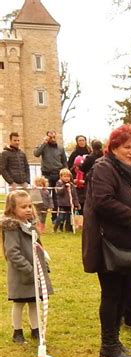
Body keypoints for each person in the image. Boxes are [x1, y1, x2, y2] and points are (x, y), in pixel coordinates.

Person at [82, 125, 131, 357]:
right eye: (126, 147)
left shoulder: (126, 171)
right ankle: (108, 345)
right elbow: (103, 201)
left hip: (124, 242)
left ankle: (115, 342)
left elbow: (124, 198)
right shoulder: (103, 168)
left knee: (123, 292)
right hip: (107, 244)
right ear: (113, 148)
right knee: (111, 294)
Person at [1, 190, 52, 344]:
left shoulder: (30, 225)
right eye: (23, 207)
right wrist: (29, 269)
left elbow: (36, 246)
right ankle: (17, 332)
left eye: (30, 206)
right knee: (19, 303)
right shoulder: (12, 228)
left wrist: (44, 259)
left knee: (34, 301)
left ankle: (36, 329)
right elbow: (12, 252)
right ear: (12, 209)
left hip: (35, 270)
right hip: (22, 273)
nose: (28, 209)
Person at [34, 130, 67, 222]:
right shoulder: (43, 147)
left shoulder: (60, 148)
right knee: (45, 196)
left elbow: (64, 161)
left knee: (57, 197)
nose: (52, 138)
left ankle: (55, 218)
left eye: (53, 137)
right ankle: (42, 218)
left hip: (57, 174)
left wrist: (66, 172)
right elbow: (36, 153)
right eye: (50, 137)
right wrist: (44, 142)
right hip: (46, 175)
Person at [54, 168, 80, 233]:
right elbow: (58, 192)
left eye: (68, 176)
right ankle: (56, 228)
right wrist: (64, 187)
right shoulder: (59, 183)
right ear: (61, 176)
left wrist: (76, 204)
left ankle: (68, 230)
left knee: (69, 218)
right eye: (65, 176)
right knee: (61, 217)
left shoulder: (71, 185)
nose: (66, 178)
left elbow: (74, 195)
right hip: (62, 204)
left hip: (70, 204)